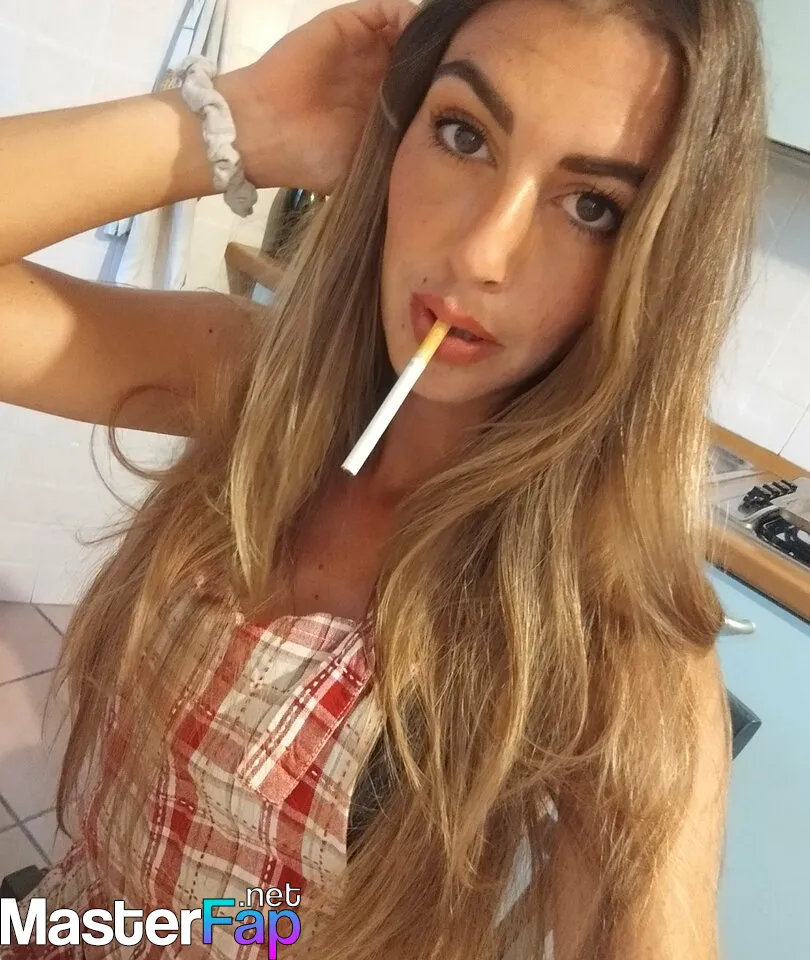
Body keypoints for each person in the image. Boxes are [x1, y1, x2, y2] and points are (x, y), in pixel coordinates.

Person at [0, 0, 766, 957]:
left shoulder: (611, 638)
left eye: (592, 207)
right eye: (464, 136)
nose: (482, 253)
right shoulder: (249, 382)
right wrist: (235, 123)